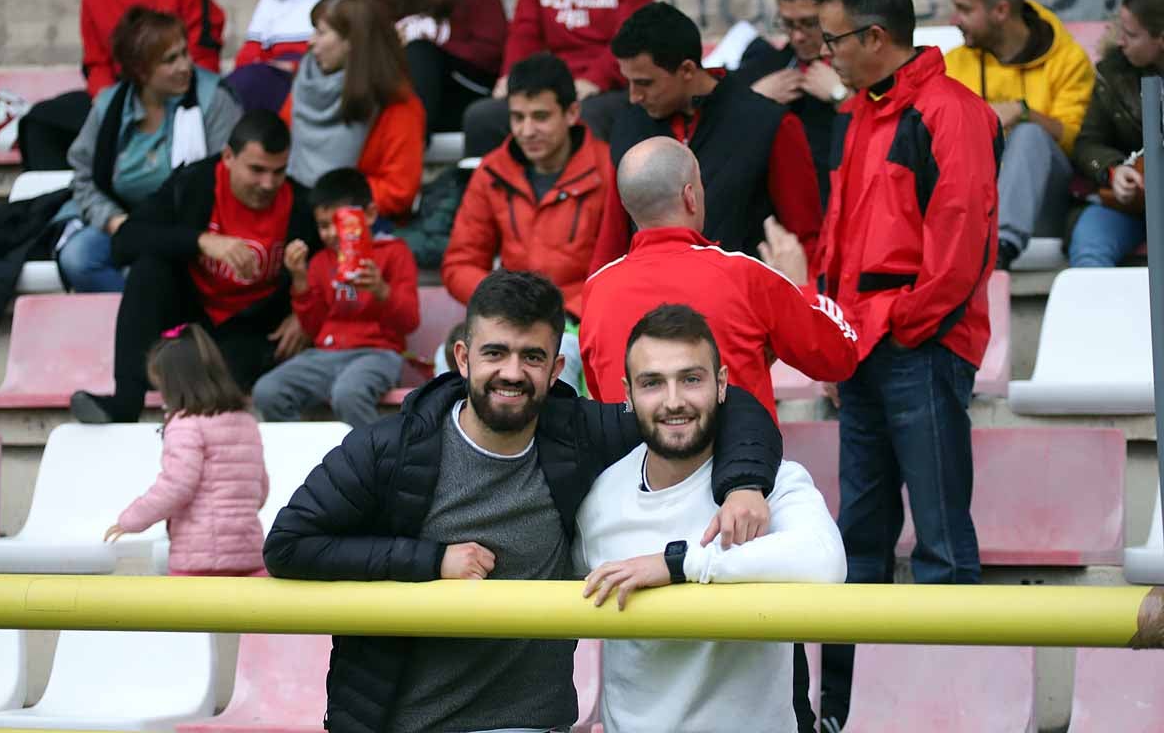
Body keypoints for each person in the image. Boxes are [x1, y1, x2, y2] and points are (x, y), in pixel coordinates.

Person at [264, 269, 778, 733]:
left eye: (531, 357)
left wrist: (743, 484)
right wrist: (431, 560)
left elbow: (729, 403)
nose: (512, 372)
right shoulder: (390, 447)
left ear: (555, 369)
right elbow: (288, 545)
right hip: (401, 720)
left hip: (529, 722)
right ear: (463, 358)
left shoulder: (578, 434)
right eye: (495, 353)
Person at [789, 0, 1000, 731]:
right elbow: (839, 237)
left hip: (920, 343)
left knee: (942, 537)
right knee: (860, 541)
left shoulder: (950, 111)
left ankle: (958, 712)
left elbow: (963, 233)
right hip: (868, 345)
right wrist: (839, 336)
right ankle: (842, 710)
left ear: (876, 37)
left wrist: (905, 324)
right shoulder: (864, 113)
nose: (825, 51)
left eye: (833, 37)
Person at [574, 303, 846, 733]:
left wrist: (678, 565)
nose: (674, 401)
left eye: (691, 379)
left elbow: (826, 562)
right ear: (626, 394)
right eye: (652, 384)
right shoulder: (599, 500)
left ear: (721, 385)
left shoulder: (772, 482)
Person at [581, 136, 858, 419]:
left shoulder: (596, 290)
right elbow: (838, 357)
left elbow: (601, 394)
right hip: (740, 459)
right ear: (690, 196)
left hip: (634, 460)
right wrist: (802, 287)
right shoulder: (745, 275)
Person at [70, 110, 319, 425]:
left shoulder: (300, 204)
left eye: (278, 172)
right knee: (149, 269)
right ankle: (124, 402)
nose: (268, 183)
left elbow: (329, 266)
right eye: (256, 170)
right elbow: (125, 241)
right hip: (191, 317)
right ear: (228, 157)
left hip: (255, 331)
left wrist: (302, 315)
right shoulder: (194, 184)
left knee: (226, 377)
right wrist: (201, 241)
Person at [588, 2, 823, 271]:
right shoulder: (629, 125)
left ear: (687, 70)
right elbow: (612, 243)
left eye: (645, 83)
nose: (634, 96)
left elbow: (805, 239)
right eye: (628, 82)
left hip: (746, 302)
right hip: (656, 304)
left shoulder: (769, 123)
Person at [442, 52, 614, 392]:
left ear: (572, 113)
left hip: (580, 322)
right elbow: (459, 263)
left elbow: (617, 267)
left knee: (556, 360)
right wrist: (504, 299)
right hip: (508, 317)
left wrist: (559, 310)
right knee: (447, 359)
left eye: (540, 117)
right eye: (517, 117)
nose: (527, 130)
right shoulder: (492, 172)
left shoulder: (608, 169)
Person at [58, 7, 242, 293]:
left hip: (192, 228)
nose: (185, 66)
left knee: (151, 267)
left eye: (185, 53)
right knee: (79, 257)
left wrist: (167, 238)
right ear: (141, 71)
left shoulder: (214, 100)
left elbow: (227, 178)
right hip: (125, 223)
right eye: (170, 60)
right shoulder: (109, 107)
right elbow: (84, 177)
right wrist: (113, 221)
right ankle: (133, 320)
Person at [18, 0, 226, 170]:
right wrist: (111, 104)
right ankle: (61, 202)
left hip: (176, 100)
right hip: (117, 102)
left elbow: (203, 60)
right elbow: (97, 64)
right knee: (42, 121)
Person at [944, 0, 1095, 269]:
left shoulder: (1067, 60)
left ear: (1001, 10)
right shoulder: (953, 63)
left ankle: (998, 249)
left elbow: (1080, 144)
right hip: (972, 202)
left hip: (1046, 202)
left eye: (965, 9)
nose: (954, 19)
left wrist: (1024, 114)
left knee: (1029, 135)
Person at [252, 168, 420, 428]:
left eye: (340, 223)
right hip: (325, 355)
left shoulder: (394, 254)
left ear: (371, 215)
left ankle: (374, 461)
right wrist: (300, 280)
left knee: (348, 394)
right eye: (323, 225)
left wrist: (381, 291)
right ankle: (307, 460)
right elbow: (313, 328)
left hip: (378, 353)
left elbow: (409, 321)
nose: (331, 233)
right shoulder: (320, 261)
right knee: (267, 390)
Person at [461, 0, 654, 157]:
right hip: (552, 85)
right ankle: (489, 191)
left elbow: (631, 36)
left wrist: (595, 80)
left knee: (584, 118)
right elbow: (524, 32)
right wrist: (512, 77)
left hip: (609, 88)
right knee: (481, 117)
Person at [105, 324, 269, 577]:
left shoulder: (185, 424)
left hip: (199, 558)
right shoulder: (245, 420)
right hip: (249, 554)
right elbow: (260, 488)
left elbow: (176, 486)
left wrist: (132, 519)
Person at [280, 0, 426, 219]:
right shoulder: (306, 84)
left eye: (321, 33)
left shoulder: (398, 106)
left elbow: (399, 191)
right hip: (296, 211)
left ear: (351, 42)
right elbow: (281, 152)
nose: (311, 42)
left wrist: (335, 202)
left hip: (357, 226)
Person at [373, 0, 508, 135]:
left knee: (420, 52)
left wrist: (433, 47)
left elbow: (492, 52)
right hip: (403, 93)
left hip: (464, 93)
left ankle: (410, 138)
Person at [1069, 0, 1162, 267]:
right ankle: (1092, 314)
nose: (1121, 41)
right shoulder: (1114, 73)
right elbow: (1087, 144)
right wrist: (1114, 170)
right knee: (1089, 245)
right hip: (1129, 205)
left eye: (1132, 35)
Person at [738, 0, 846, 207]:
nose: (798, 36)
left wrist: (841, 96)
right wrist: (754, 101)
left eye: (809, 23)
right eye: (788, 24)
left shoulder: (858, 68)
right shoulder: (761, 68)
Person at [226, 0, 363, 113]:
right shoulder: (271, 0)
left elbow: (361, 59)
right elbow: (246, 61)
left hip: (326, 96)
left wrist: (295, 67)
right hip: (271, 100)